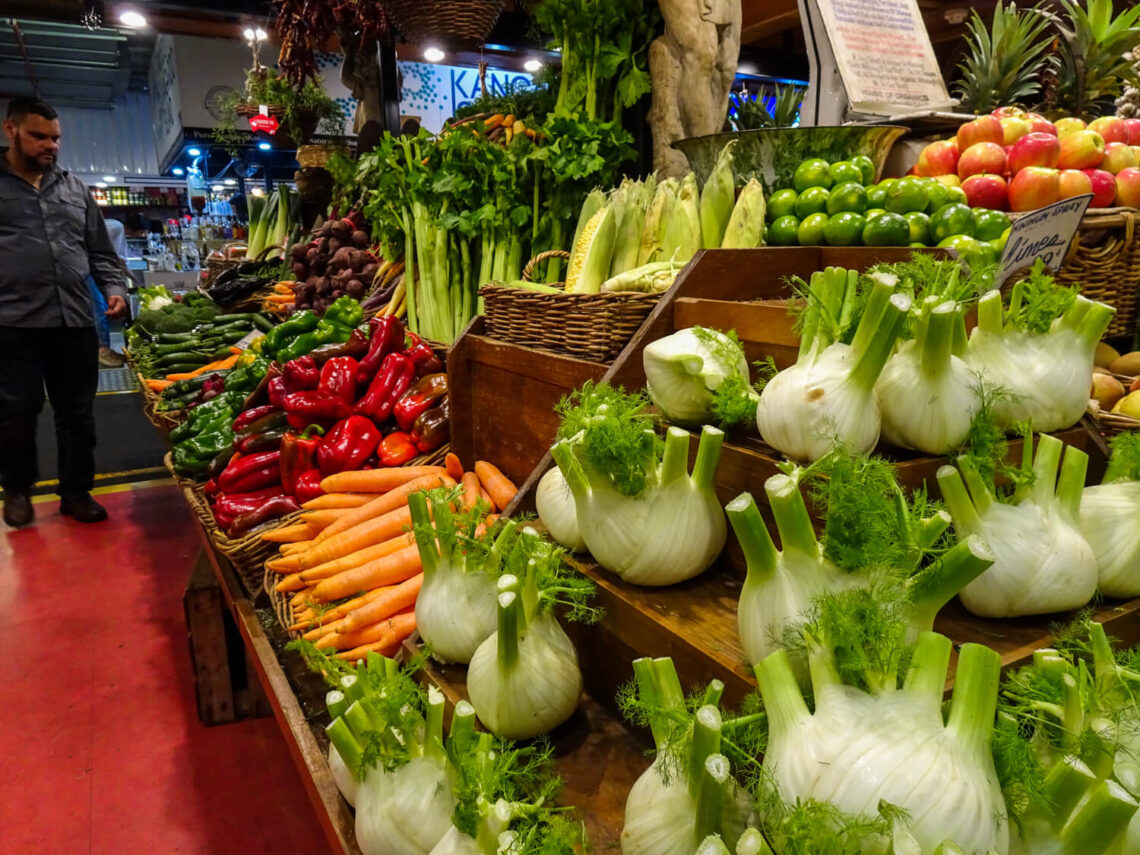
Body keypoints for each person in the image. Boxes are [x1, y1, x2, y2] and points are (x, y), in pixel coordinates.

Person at [0, 96, 129, 527]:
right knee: (17, 412)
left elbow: (100, 252)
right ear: (11, 131)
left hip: (74, 320)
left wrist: (113, 288)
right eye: (39, 136)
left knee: (77, 413)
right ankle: (17, 490)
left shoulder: (74, 189)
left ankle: (76, 492)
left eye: (55, 138)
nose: (50, 146)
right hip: (13, 323)